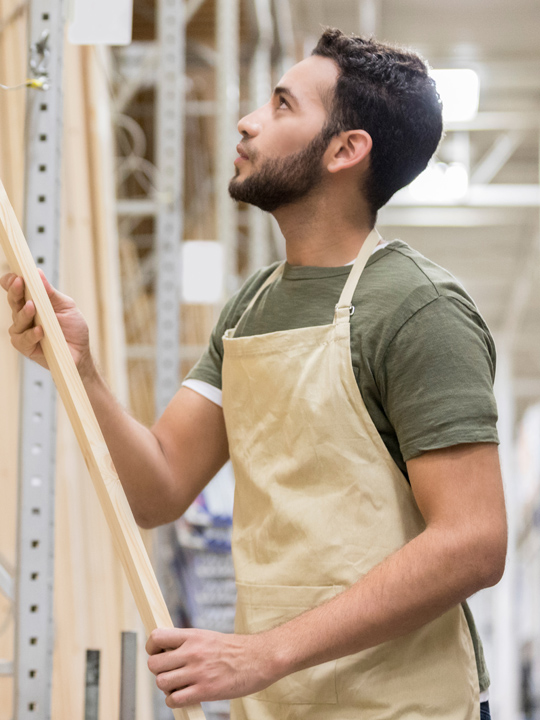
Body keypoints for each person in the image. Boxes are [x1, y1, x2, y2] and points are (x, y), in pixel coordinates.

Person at [1, 28, 506, 720]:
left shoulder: (417, 308)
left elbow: (473, 543)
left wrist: (262, 652)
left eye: (280, 106)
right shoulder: (253, 306)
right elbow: (160, 487)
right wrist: (81, 371)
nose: (248, 120)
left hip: (398, 708)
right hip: (273, 705)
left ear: (345, 149)